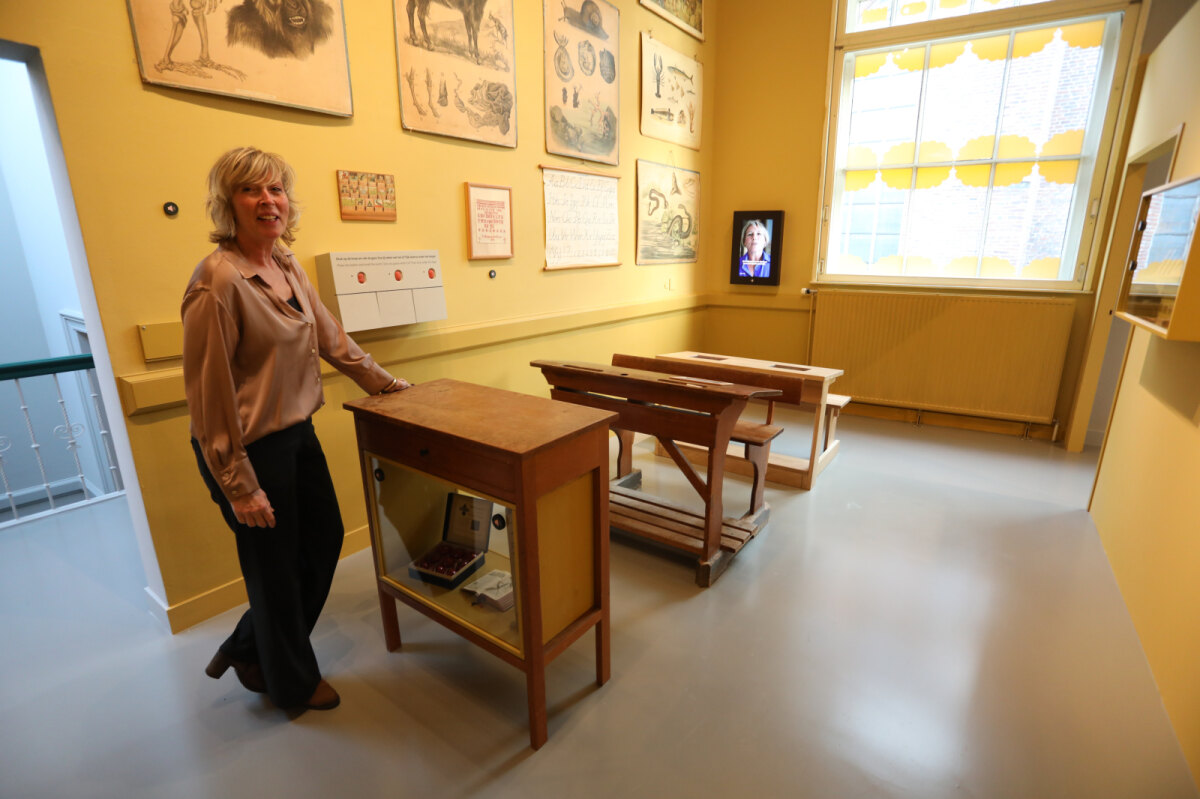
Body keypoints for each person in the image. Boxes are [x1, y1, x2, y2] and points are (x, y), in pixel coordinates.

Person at [182, 146, 409, 712]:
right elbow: (208, 398)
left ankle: (245, 646)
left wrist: (383, 385)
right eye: (252, 190)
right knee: (274, 570)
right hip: (245, 449)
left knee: (324, 539)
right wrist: (239, 483)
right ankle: (290, 682)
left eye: (276, 189)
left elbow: (331, 338)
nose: (268, 201)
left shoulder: (285, 263)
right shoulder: (218, 282)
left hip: (295, 434)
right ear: (227, 204)